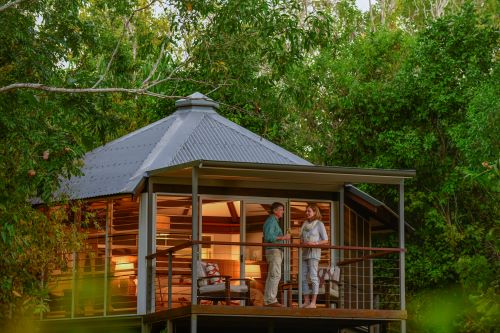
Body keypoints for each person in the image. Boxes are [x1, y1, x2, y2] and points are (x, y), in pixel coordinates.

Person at [300, 203, 328, 308]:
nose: (307, 213)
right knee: (302, 277)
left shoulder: (319, 224)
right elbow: (302, 239)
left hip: (314, 253)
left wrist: (315, 243)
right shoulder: (304, 224)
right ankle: (306, 301)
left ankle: (313, 303)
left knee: (313, 277)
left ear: (315, 212)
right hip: (304, 253)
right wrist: (302, 243)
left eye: (309, 211)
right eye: (306, 211)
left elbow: (326, 240)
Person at [262, 202, 291, 307]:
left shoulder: (273, 221)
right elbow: (269, 237)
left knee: (272, 275)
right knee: (275, 275)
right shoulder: (271, 221)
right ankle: (271, 300)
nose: (282, 211)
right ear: (275, 211)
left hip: (274, 251)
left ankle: (268, 300)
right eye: (281, 209)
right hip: (274, 251)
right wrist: (284, 237)